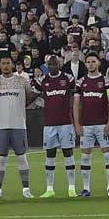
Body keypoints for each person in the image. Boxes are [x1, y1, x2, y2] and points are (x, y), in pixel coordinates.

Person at [0, 53, 39, 199]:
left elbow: (32, 95)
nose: (6, 66)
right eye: (3, 63)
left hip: (19, 125)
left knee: (22, 157)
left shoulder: (22, 81)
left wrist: (21, 106)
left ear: (12, 65)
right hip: (1, 126)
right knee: (1, 159)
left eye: (8, 63)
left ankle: (26, 189)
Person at [33, 51, 79, 198]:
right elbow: (35, 96)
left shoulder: (68, 78)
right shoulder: (42, 80)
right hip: (50, 123)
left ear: (59, 64)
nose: (53, 66)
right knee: (50, 154)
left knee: (68, 152)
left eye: (55, 64)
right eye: (50, 64)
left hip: (65, 122)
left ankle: (71, 187)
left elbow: (75, 94)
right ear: (47, 66)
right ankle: (49, 188)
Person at [75, 52, 109, 197]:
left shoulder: (106, 81)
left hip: (102, 124)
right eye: (88, 62)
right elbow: (76, 104)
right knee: (85, 157)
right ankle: (86, 188)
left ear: (98, 63)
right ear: (85, 64)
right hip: (86, 125)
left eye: (93, 61)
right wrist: (77, 124)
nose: (91, 64)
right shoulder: (80, 82)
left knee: (108, 155)